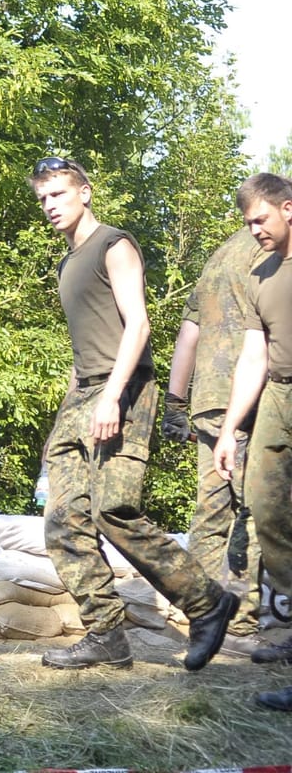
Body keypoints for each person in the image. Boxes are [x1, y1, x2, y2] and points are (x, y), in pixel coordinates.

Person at [30, 156, 236, 671]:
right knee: (62, 520)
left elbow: (138, 326)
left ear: (85, 192)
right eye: (43, 198)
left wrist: (112, 396)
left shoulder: (113, 245)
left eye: (58, 194)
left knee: (114, 509)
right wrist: (62, 422)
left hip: (125, 390)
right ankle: (105, 634)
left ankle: (207, 602)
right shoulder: (65, 263)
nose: (50, 205)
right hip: (83, 394)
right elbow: (83, 354)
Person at [166, 224, 267, 657]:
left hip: (208, 401)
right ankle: (243, 624)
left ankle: (205, 617)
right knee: (258, 510)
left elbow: (187, 336)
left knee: (210, 513)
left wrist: (174, 403)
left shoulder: (216, 260)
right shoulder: (270, 256)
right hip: (251, 399)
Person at [212, 173, 292, 706]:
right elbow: (254, 357)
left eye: (261, 219)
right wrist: (229, 429)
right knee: (268, 513)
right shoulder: (260, 273)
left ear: (289, 208)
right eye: (247, 223)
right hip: (279, 400)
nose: (254, 230)